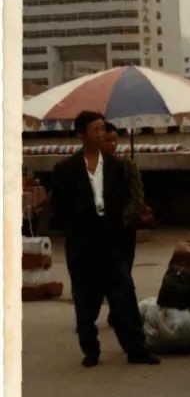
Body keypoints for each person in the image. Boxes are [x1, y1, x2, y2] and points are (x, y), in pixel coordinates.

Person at [50, 110, 158, 367]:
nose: (101, 134)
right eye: (95, 129)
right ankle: (90, 349)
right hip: (82, 243)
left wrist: (121, 223)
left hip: (113, 240)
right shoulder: (65, 169)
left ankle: (136, 349)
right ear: (81, 134)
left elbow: (127, 200)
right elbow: (59, 207)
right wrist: (75, 228)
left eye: (102, 128)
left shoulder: (117, 167)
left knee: (124, 295)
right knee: (85, 298)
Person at [101, 122, 148, 274]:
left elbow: (137, 196)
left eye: (115, 140)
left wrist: (124, 217)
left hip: (124, 225)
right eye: (108, 140)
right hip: (101, 226)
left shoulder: (126, 166)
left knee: (123, 268)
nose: (113, 144)